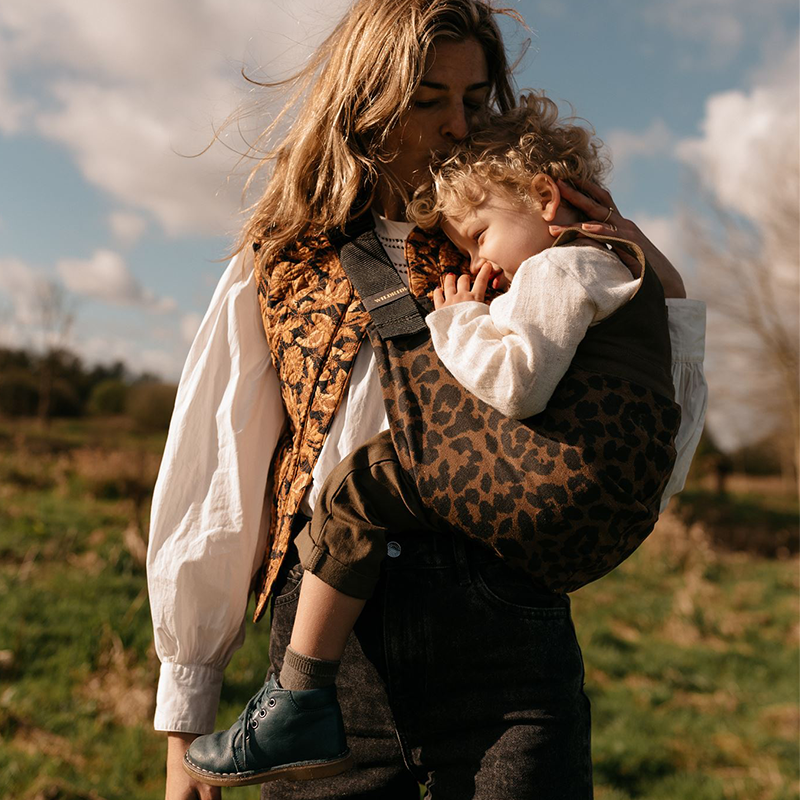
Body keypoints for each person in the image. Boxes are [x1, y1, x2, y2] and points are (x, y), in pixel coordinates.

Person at [146, 2, 708, 798]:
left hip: (506, 659)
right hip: (328, 676)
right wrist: (186, 718)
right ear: (367, 101)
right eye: (426, 99)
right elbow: (218, 483)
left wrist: (656, 279)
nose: (454, 124)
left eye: (474, 101)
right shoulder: (283, 265)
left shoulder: (526, 243)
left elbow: (650, 441)